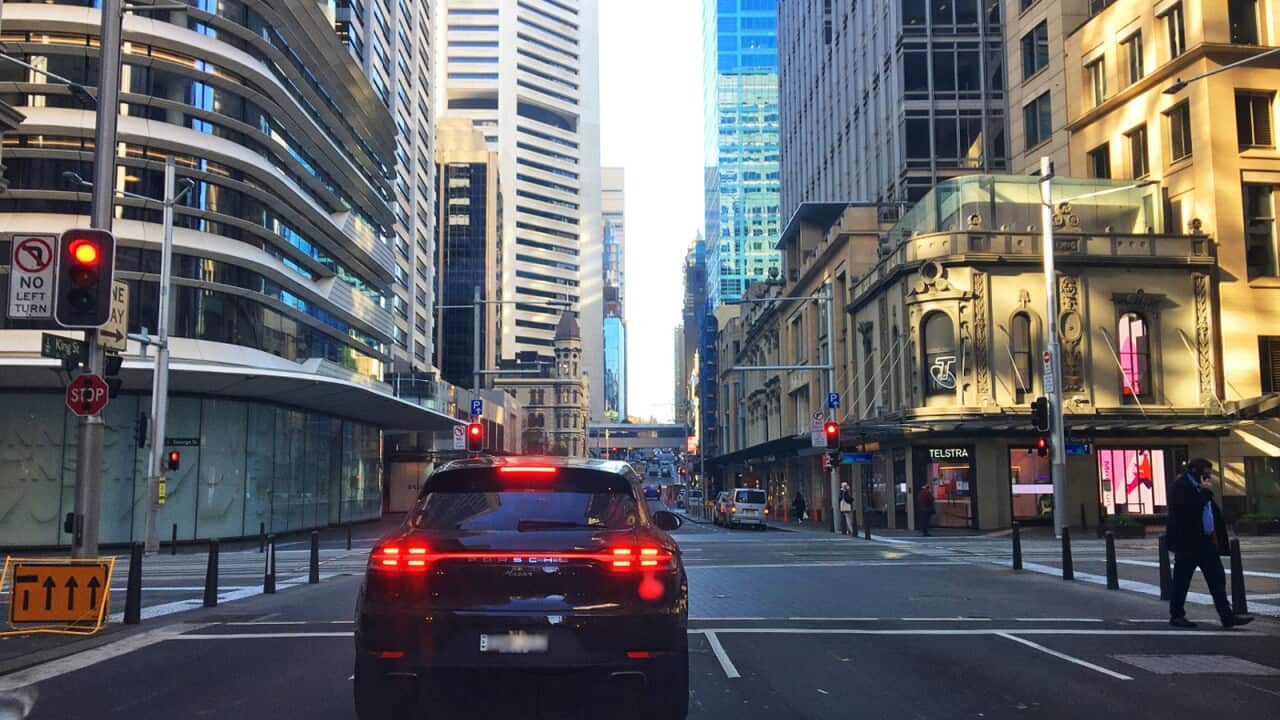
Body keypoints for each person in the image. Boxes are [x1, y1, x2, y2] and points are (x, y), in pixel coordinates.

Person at [1167, 458, 1252, 629]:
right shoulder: (1181, 486)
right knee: (1182, 580)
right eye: (1205, 472)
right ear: (1194, 471)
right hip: (1188, 542)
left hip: (1205, 542)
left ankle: (1227, 617)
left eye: (1209, 473)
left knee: (1217, 578)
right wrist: (1205, 493)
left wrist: (1220, 539)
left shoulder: (1200, 486)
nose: (1208, 476)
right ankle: (1176, 615)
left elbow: (1211, 512)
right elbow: (1189, 511)